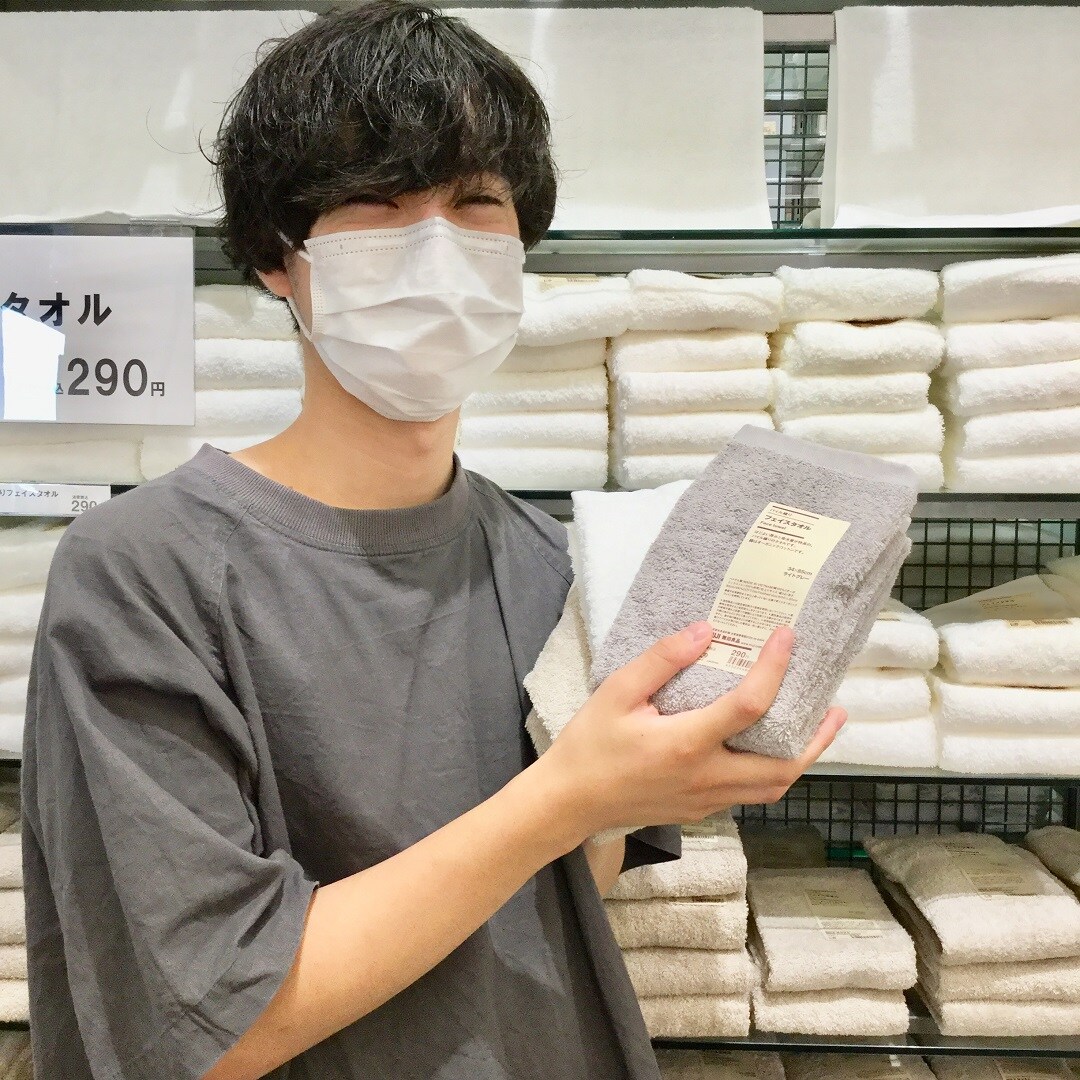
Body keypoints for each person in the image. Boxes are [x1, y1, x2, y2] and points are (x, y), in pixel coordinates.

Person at [21, 5, 845, 1079]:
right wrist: (569, 795)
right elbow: (211, 1027)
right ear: (277, 256)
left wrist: (667, 765)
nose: (438, 246)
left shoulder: (551, 558)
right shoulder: (142, 571)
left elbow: (568, 889)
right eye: (378, 199)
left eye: (476, 202)